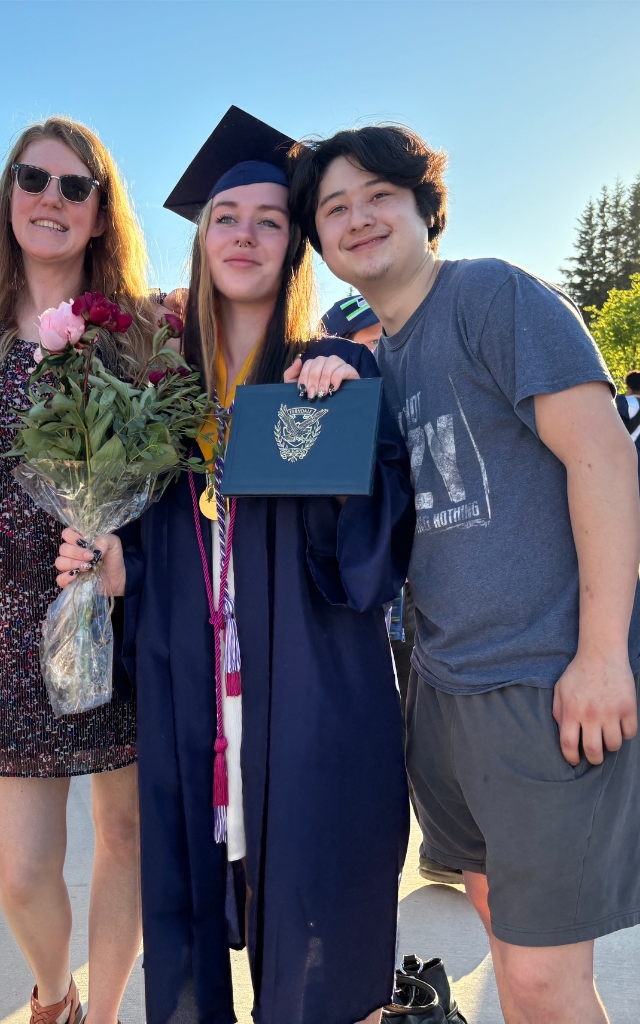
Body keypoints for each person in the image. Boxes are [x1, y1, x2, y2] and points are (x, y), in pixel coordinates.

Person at [56, 107, 414, 1024]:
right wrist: (112, 568)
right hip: (194, 701)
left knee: (316, 935)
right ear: (200, 238)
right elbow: (167, 551)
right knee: (188, 931)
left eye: (269, 219)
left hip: (308, 701)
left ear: (295, 246)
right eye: (226, 217)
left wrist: (344, 396)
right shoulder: (159, 393)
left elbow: (367, 562)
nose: (245, 234)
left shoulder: (324, 373)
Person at [291, 124, 640, 1024]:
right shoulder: (376, 358)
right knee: (502, 936)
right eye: (334, 208)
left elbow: (603, 457)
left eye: (379, 196)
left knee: (537, 979)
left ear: (423, 207)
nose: (358, 219)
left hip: (540, 681)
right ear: (318, 242)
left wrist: (601, 654)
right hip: (441, 697)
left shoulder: (491, 297)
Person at [0, 116, 158, 1024]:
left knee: (126, 836)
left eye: (78, 186)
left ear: (103, 214)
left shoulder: (146, 331)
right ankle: (55, 992)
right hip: (4, 626)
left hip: (116, 613)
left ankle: (100, 1014)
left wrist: (331, 357)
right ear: (8, 196)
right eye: (33, 179)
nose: (52, 198)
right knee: (22, 872)